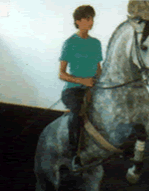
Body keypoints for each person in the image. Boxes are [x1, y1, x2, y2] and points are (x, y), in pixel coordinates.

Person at [59, 5, 103, 172]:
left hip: (93, 88)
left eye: (92, 18)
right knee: (77, 110)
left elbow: (98, 68)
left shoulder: (96, 43)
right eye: (87, 19)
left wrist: (102, 80)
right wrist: (82, 81)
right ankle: (73, 154)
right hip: (73, 90)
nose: (91, 22)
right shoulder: (69, 43)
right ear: (78, 21)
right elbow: (62, 74)